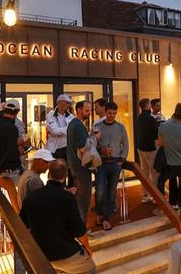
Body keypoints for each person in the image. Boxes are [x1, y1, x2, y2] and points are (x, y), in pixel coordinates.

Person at [20, 159, 95, 274]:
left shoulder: (31, 198)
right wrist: (87, 247)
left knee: (62, 271)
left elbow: (22, 225)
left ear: (49, 174)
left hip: (42, 253)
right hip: (63, 252)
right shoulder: (66, 199)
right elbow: (79, 230)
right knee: (89, 270)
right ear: (65, 176)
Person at [94, 102, 128, 231]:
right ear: (105, 112)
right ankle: (99, 213)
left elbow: (126, 144)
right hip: (101, 163)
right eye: (109, 113)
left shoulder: (121, 127)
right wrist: (101, 150)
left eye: (114, 113)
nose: (112, 116)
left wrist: (122, 159)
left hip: (115, 163)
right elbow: (92, 145)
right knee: (100, 191)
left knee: (111, 191)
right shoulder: (97, 127)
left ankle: (106, 218)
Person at [0, 100, 24, 213]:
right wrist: (20, 150)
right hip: (6, 169)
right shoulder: (12, 128)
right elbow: (11, 154)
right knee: (28, 182)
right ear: (17, 112)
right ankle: (21, 217)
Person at [66, 100, 93, 225]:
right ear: (78, 110)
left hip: (75, 166)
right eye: (87, 110)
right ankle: (82, 229)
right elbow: (83, 149)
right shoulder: (78, 125)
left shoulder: (74, 124)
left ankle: (78, 227)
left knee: (78, 198)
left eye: (90, 110)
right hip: (81, 167)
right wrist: (94, 140)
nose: (89, 113)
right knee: (83, 199)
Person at [136, 98, 159, 204]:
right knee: (154, 173)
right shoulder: (150, 119)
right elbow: (155, 135)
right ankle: (154, 196)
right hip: (150, 148)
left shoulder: (139, 118)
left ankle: (144, 195)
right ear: (147, 105)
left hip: (141, 148)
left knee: (144, 172)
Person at [45, 94, 74, 161]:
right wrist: (68, 129)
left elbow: (73, 130)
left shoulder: (71, 116)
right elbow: (54, 131)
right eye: (67, 103)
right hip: (54, 149)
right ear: (59, 103)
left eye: (69, 103)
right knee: (55, 169)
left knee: (67, 169)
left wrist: (61, 131)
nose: (68, 105)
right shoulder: (50, 115)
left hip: (67, 148)